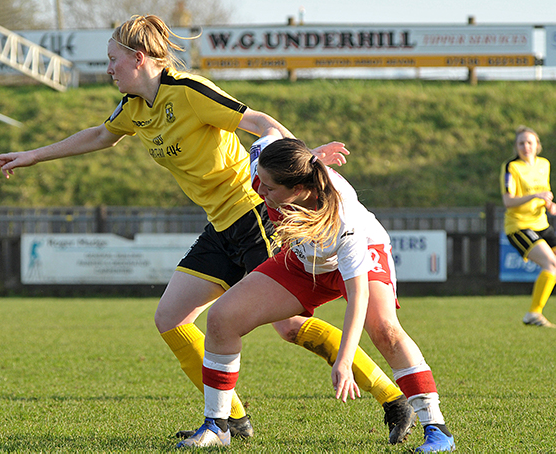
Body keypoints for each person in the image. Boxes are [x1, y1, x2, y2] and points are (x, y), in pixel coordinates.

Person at [0, 14, 413, 444]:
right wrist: (32, 155)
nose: (108, 69)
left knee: (289, 327)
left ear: (139, 59)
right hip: (220, 225)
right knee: (171, 318)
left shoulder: (189, 91)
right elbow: (100, 135)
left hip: (256, 215)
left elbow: (261, 123)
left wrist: (305, 163)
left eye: (112, 59)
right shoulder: (135, 108)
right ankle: (230, 419)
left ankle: (392, 397)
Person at [178, 137, 455, 452]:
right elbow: (265, 131)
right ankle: (218, 425)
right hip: (302, 259)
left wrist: (345, 360)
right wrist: (309, 154)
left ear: (298, 189)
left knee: (384, 330)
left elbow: (358, 295)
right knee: (222, 318)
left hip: (357, 255)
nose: (259, 191)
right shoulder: (267, 171)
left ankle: (438, 430)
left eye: (269, 187)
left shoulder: (344, 221)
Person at [501, 125, 556, 327]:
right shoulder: (512, 167)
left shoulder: (544, 164)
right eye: (521, 143)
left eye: (530, 142)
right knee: (551, 263)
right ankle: (533, 314)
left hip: (542, 223)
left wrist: (550, 204)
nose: (526, 146)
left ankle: (536, 312)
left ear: (537, 145)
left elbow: (545, 193)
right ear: (516, 147)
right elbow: (508, 201)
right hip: (519, 226)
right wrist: (534, 196)